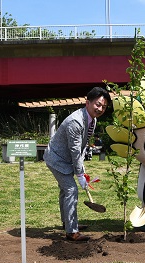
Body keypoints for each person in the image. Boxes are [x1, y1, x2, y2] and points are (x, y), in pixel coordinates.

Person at [43, 87, 111, 241]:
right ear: (87, 103)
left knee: (65, 191)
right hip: (57, 159)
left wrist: (81, 169)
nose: (100, 109)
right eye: (98, 104)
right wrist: (80, 175)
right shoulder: (75, 122)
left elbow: (81, 146)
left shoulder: (92, 119)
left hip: (66, 158)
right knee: (71, 190)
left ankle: (68, 222)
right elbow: (74, 150)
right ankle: (71, 231)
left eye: (104, 107)